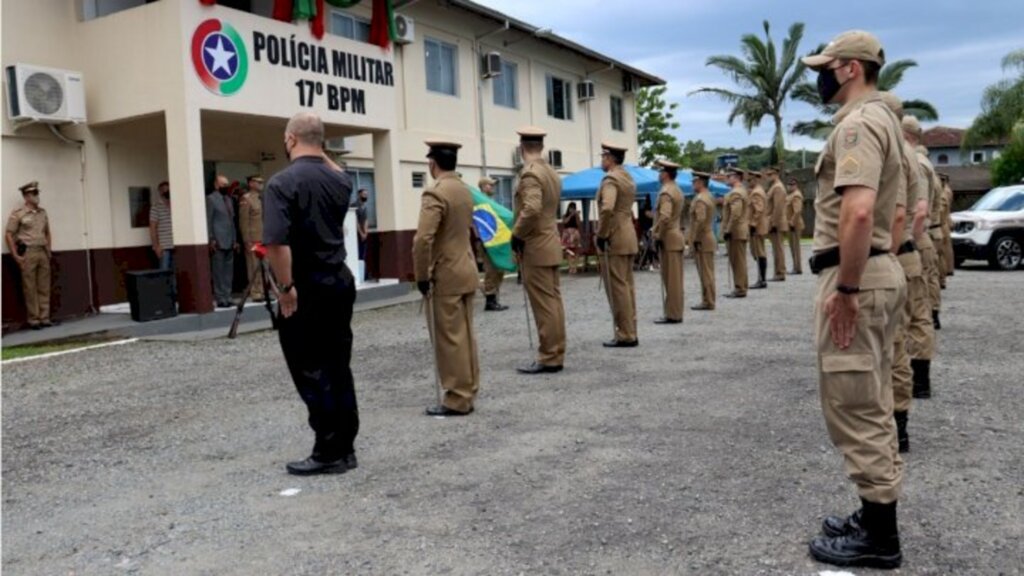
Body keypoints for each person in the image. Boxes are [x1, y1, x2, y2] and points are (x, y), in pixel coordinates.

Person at [802, 30, 907, 569]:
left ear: (849, 69)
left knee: (854, 402)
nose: (821, 75)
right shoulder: (884, 120)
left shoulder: (860, 125)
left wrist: (844, 289)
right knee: (873, 396)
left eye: (827, 65)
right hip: (879, 272)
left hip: (858, 278)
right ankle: (873, 513)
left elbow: (860, 212)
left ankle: (880, 536)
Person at [262, 112, 359, 476]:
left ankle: (327, 450)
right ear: (321, 143)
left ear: (289, 140)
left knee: (310, 370)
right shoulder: (340, 180)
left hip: (306, 287)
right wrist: (318, 145)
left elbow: (275, 243)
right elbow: (334, 168)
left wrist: (286, 289)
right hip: (338, 281)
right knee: (338, 365)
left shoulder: (281, 183)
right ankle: (345, 446)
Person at [413, 140, 480, 416]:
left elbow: (422, 240)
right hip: (466, 268)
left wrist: (421, 276)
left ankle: (457, 397)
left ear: (432, 163)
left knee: (449, 338)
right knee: (465, 334)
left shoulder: (435, 193)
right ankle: (470, 387)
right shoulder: (464, 189)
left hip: (446, 274)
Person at [880, 91, 929, 454]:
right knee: (901, 337)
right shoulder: (911, 156)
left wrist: (887, 255)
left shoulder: (898, 155)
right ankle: (900, 424)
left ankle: (898, 427)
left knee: (895, 342)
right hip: (908, 252)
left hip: (897, 254)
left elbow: (901, 215)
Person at [511, 126, 567, 374]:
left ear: (522, 148)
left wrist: (517, 234)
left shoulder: (530, 174)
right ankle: (555, 351)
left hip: (536, 245)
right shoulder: (551, 172)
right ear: (541, 147)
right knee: (553, 302)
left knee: (545, 304)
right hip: (550, 242)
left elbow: (531, 208)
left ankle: (550, 356)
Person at [902, 115, 941, 398]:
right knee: (920, 310)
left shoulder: (914, 161)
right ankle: (919, 380)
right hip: (921, 238)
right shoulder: (921, 161)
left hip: (915, 239)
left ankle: (918, 381)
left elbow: (920, 210)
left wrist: (907, 243)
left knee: (916, 312)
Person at [595, 142, 639, 347]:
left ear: (610, 159)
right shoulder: (627, 178)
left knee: (618, 288)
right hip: (628, 234)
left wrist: (602, 234)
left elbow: (607, 208)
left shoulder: (611, 179)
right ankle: (631, 330)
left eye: (603, 157)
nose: (601, 160)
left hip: (615, 237)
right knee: (627, 286)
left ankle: (625, 334)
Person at [5, 181, 53, 329]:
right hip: (28, 252)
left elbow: (47, 232)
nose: (37, 196)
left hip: (42, 252)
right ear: (26, 197)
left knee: (44, 286)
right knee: (30, 287)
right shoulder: (19, 213)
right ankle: (34, 319)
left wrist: (49, 250)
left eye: (37, 193)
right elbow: (9, 234)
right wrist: (15, 256)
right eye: (34, 194)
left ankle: (45, 318)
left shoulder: (42, 212)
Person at [651, 159, 685, 324]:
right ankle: (675, 312)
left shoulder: (666, 192)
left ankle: (673, 314)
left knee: (671, 280)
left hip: (669, 238)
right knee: (675, 279)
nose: (658, 174)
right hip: (675, 235)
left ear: (665, 174)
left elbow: (665, 216)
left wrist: (656, 233)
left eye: (660, 171)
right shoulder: (677, 190)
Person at [206, 174, 239, 308]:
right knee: (218, 272)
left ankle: (228, 296)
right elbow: (208, 220)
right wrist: (211, 239)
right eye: (223, 185)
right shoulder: (211, 199)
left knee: (228, 272)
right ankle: (220, 298)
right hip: (218, 241)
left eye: (227, 185)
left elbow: (232, 222)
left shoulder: (229, 200)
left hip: (230, 241)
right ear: (216, 185)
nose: (225, 187)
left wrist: (235, 239)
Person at [477, 177, 508, 311]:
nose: (492, 188)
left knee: (499, 269)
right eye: (490, 185)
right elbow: (478, 223)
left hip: (496, 240)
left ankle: (494, 297)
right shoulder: (480, 202)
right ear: (483, 186)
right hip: (488, 241)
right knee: (491, 270)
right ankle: (490, 300)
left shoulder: (490, 202)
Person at [688, 171, 717, 310]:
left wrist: (694, 238)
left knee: (705, 272)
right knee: (708, 271)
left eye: (694, 182)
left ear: (700, 182)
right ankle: (708, 299)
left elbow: (699, 220)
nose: (693, 184)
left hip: (702, 239)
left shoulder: (700, 199)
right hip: (707, 236)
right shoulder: (709, 196)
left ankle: (708, 301)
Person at [721, 167, 750, 300]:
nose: (727, 178)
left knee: (737, 261)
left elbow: (735, 213)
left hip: (735, 232)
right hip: (740, 231)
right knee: (740, 261)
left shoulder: (736, 193)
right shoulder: (741, 191)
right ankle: (742, 286)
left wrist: (728, 229)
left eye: (729, 176)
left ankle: (740, 288)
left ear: (736, 177)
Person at [239, 175, 266, 301]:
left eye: (262, 182)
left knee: (264, 266)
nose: (261, 184)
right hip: (253, 239)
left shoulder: (263, 198)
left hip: (265, 238)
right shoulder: (246, 199)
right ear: (251, 183)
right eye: (258, 182)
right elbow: (244, 221)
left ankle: (263, 291)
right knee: (254, 266)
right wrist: (246, 240)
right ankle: (255, 292)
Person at [149, 181, 176, 299]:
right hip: (163, 246)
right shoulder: (156, 206)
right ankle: (164, 297)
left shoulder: (175, 205)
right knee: (164, 272)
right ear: (160, 192)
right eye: (165, 190)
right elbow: (153, 227)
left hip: (175, 245)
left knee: (175, 273)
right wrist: (156, 246)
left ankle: (174, 296)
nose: (167, 192)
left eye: (169, 189)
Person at [745, 169, 770, 289]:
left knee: (759, 252)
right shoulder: (758, 191)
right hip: (759, 225)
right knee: (760, 252)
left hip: (757, 226)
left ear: (755, 179)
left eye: (749, 180)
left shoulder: (757, 192)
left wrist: (753, 224)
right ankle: (761, 279)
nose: (748, 182)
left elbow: (758, 210)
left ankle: (762, 280)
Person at [765, 166, 789, 281]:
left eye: (770, 175)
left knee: (778, 249)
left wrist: (774, 223)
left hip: (777, 222)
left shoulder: (778, 187)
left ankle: (780, 273)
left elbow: (778, 207)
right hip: (776, 221)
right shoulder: (775, 187)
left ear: (776, 175)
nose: (768, 177)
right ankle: (778, 272)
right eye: (768, 175)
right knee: (777, 248)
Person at [786, 177, 805, 274]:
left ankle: (798, 268)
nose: (790, 186)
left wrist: (792, 222)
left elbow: (797, 211)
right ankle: (795, 267)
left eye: (792, 185)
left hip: (795, 225)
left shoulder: (796, 195)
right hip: (791, 225)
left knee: (795, 247)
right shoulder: (791, 195)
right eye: (789, 185)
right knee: (792, 247)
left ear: (796, 185)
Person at [561, 202, 582, 274]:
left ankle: (575, 267)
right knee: (568, 251)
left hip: (575, 234)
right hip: (567, 234)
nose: (572, 210)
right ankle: (570, 266)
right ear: (568, 208)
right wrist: (570, 215)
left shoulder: (576, 215)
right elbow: (564, 222)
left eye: (573, 208)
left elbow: (579, 224)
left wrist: (577, 216)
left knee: (576, 251)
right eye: (571, 208)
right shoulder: (565, 215)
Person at [355, 187, 370, 280]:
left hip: (363, 234)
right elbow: (355, 221)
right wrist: (360, 233)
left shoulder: (365, 206)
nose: (366, 196)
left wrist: (366, 232)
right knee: (358, 254)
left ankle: (363, 275)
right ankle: (359, 275)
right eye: (364, 194)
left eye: (366, 195)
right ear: (359, 195)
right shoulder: (355, 205)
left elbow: (366, 220)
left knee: (363, 255)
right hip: (356, 234)